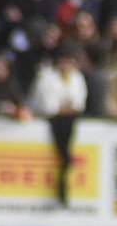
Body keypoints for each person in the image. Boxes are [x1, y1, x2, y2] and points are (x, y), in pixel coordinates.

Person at [29, 43, 88, 205]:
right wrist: (65, 108)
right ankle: (65, 158)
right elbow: (49, 108)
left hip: (67, 120)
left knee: (67, 125)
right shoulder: (47, 78)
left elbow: (79, 104)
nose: (68, 65)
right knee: (63, 126)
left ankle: (65, 159)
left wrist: (66, 108)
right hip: (50, 120)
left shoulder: (77, 78)